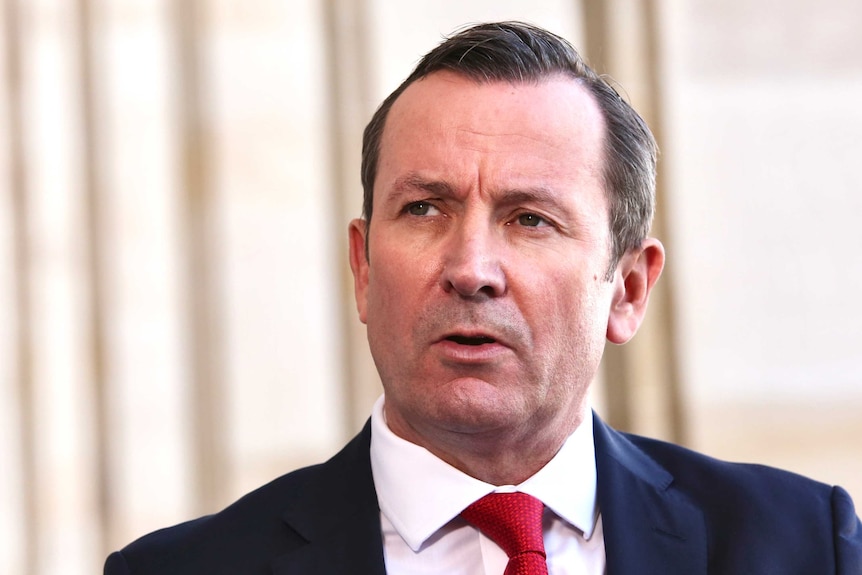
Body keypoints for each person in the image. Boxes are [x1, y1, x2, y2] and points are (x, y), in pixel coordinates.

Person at [104, 21, 861, 575]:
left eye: (530, 218)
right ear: (363, 269)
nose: (471, 269)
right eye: (425, 208)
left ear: (627, 289)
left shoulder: (801, 546)